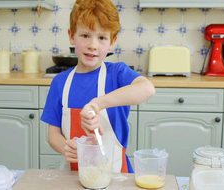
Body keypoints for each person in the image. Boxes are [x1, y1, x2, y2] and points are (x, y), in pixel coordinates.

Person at [40, 0, 156, 173]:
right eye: (85, 35)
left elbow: (147, 89)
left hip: (116, 176)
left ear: (112, 42)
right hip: (72, 176)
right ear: (72, 36)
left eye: (101, 37)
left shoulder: (116, 74)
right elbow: (53, 135)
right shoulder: (60, 82)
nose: (92, 45)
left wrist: (97, 104)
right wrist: (65, 146)